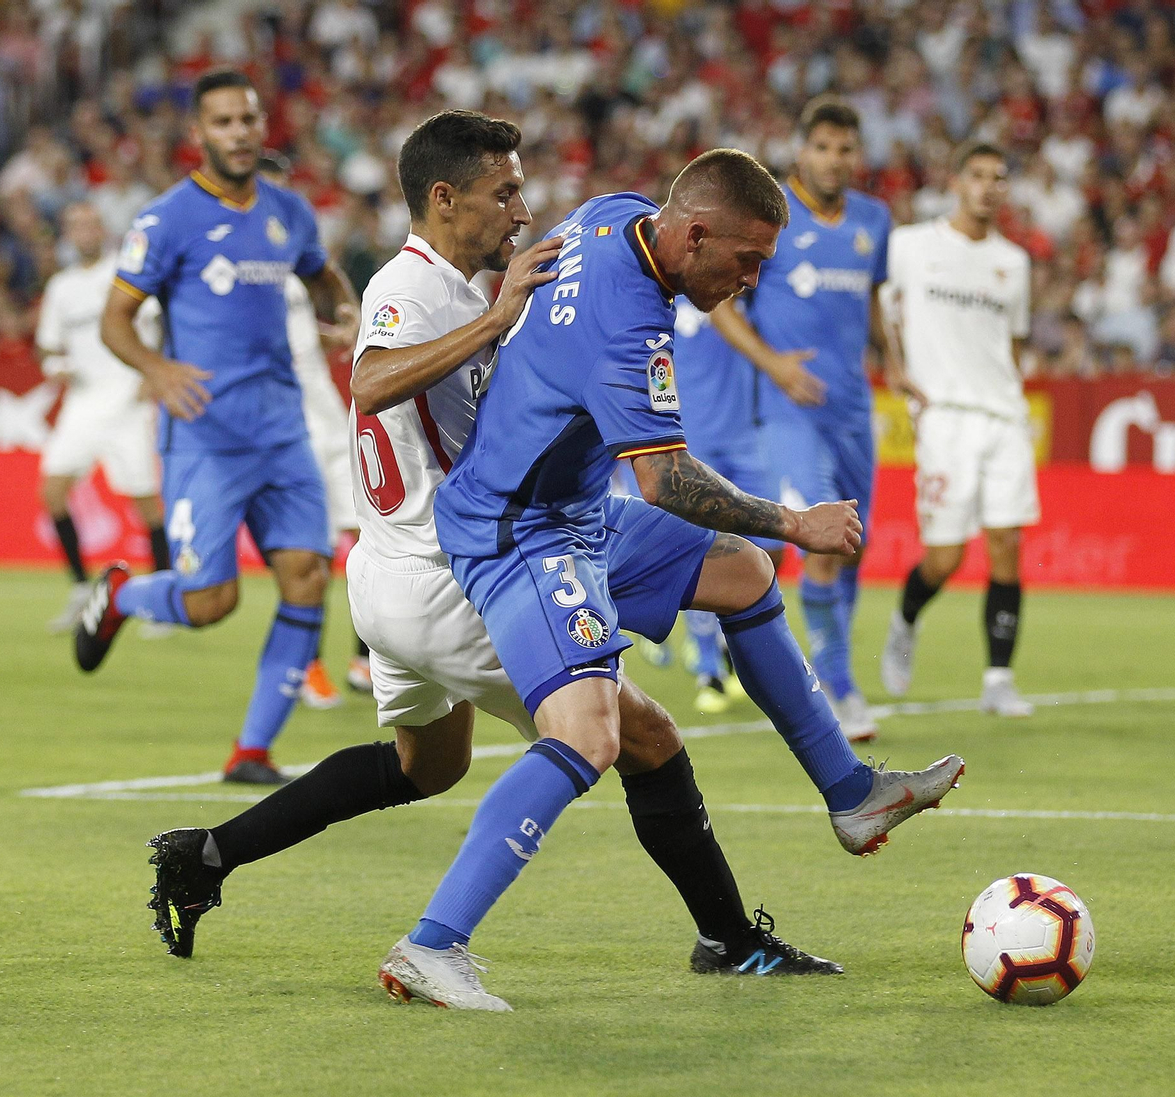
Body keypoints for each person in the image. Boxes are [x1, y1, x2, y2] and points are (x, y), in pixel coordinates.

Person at [144, 111, 840, 984]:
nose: (519, 209)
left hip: (396, 571)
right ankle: (724, 942)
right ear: (444, 198)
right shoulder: (414, 286)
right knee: (641, 736)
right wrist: (497, 318)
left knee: (426, 766)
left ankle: (202, 857)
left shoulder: (468, 283)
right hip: (453, 572)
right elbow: (369, 381)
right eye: (501, 191)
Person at [382, 149, 964, 1010]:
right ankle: (431, 945)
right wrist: (797, 519)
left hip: (571, 508)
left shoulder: (615, 212)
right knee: (589, 734)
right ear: (694, 235)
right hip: (518, 529)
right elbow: (665, 481)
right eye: (746, 261)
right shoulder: (627, 319)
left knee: (742, 575)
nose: (752, 281)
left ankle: (852, 796)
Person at [76, 70, 360, 784]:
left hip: (283, 430)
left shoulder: (288, 213)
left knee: (307, 574)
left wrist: (345, 310)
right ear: (198, 135)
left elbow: (321, 276)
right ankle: (118, 595)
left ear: (263, 128)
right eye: (224, 122)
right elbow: (116, 319)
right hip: (205, 435)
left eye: (249, 119)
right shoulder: (167, 218)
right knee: (211, 601)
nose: (239, 132)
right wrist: (157, 368)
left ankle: (252, 750)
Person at [708, 97, 894, 742]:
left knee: (853, 545)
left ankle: (799, 655)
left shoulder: (875, 220)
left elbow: (872, 303)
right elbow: (721, 306)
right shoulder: (770, 220)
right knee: (822, 536)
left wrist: (895, 359)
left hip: (852, 408)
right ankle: (838, 685)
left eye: (845, 148)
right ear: (800, 151)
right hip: (789, 413)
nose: (834, 160)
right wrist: (774, 364)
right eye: (822, 147)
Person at [878, 142, 1038, 718]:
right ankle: (906, 619)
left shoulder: (1014, 263)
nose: (990, 187)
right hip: (944, 417)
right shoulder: (911, 246)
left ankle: (999, 678)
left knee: (1006, 544)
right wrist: (893, 362)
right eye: (978, 175)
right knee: (944, 557)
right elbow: (881, 304)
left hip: (1004, 417)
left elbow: (1013, 344)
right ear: (956, 181)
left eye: (1000, 177)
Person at [255, 152, 367, 709]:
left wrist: (334, 333)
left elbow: (298, 340)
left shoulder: (290, 279)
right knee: (313, 557)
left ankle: (365, 661)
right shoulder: (238, 280)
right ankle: (308, 667)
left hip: (330, 421)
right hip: (291, 429)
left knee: (373, 541)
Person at [36, 201, 171, 632]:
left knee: (145, 503)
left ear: (102, 228)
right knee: (52, 491)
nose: (84, 231)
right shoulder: (61, 287)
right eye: (75, 225)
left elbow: (162, 323)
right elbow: (48, 345)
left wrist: (153, 373)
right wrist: (55, 366)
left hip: (126, 400)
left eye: (90, 222)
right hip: (82, 401)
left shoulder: (124, 271)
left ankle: (164, 597)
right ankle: (80, 587)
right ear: (67, 234)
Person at [669, 294, 774, 713]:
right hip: (692, 443)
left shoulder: (749, 299)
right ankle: (708, 668)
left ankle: (728, 646)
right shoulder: (664, 300)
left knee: (766, 555)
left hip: (749, 441)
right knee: (701, 553)